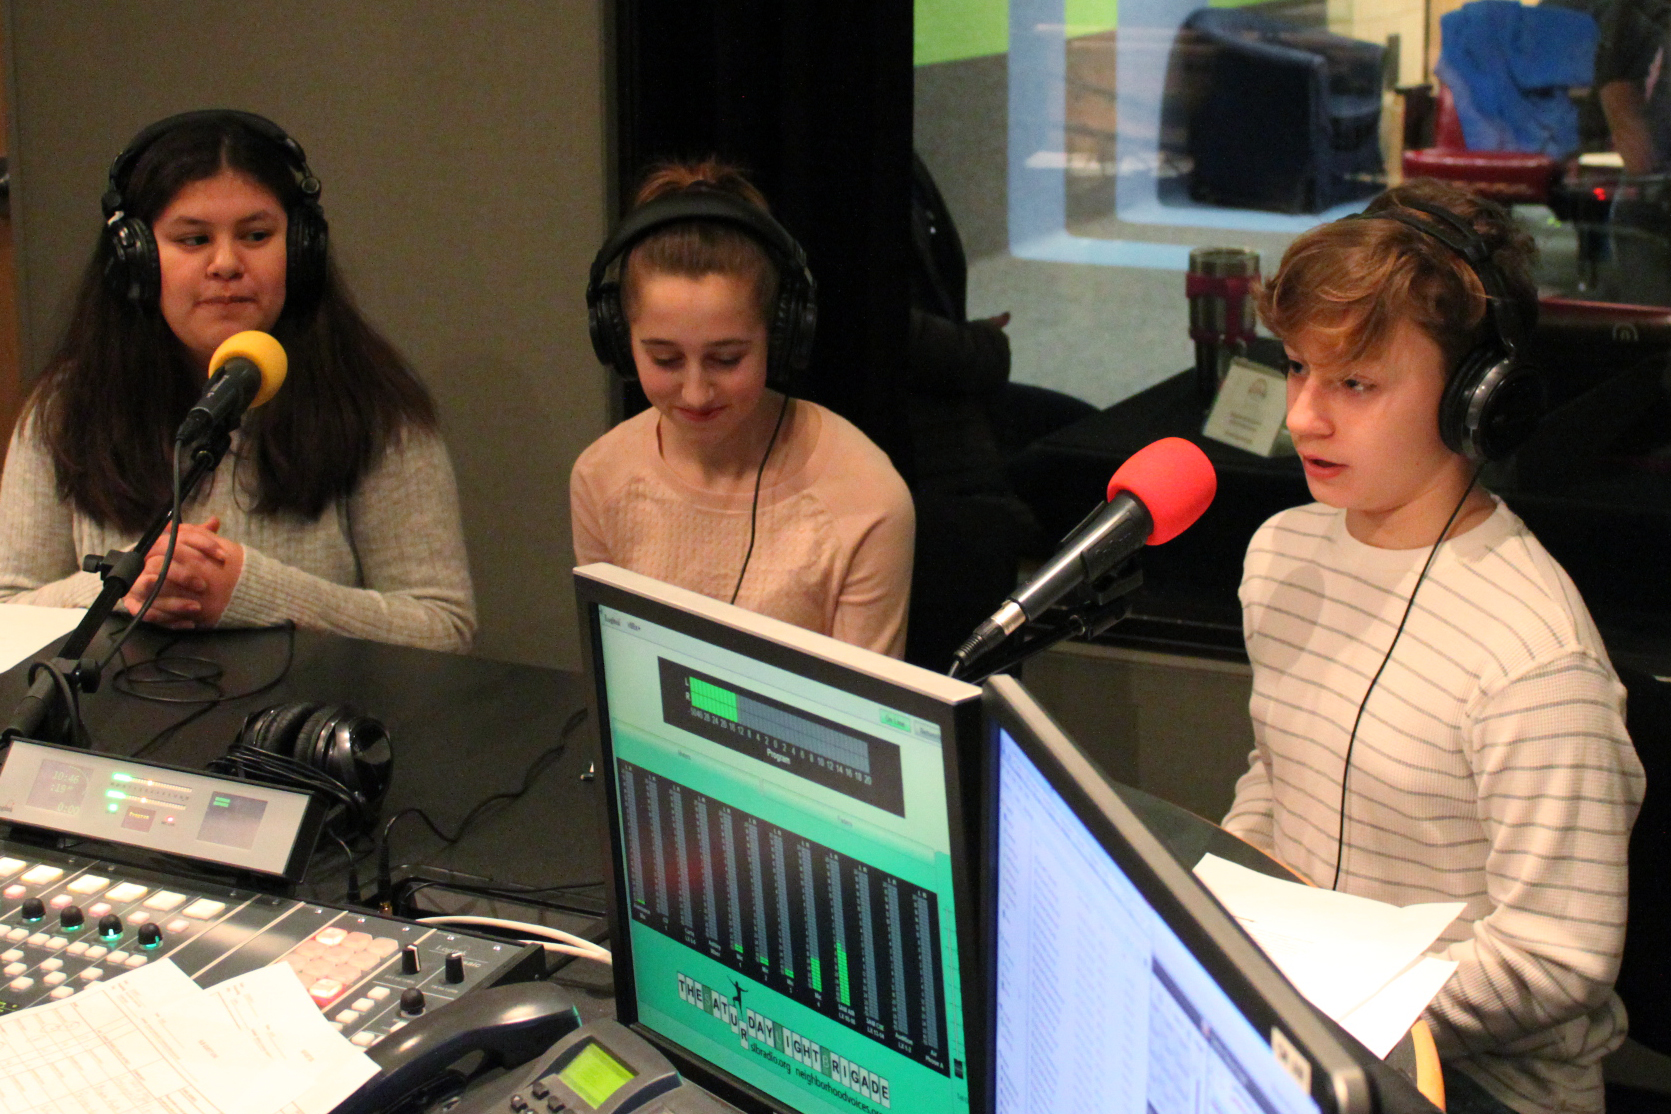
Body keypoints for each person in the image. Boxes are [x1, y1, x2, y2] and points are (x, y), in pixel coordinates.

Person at [1221, 179, 1644, 1114]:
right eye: (1296, 368)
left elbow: (1555, 959)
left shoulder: (1534, 659)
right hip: (1313, 1036)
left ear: (1474, 401)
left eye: (1354, 384)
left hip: (1473, 1084)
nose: (1301, 416)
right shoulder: (1281, 553)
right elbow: (1278, 773)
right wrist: (1221, 914)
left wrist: (1333, 1011)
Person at [0, 111, 475, 653]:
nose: (226, 263)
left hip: (303, 727)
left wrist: (253, 591)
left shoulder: (371, 405)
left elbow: (444, 628)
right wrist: (126, 583)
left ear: (300, 249)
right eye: (194, 239)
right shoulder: (66, 409)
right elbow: (8, 613)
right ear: (136, 258)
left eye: (255, 235)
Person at [570, 161, 914, 657]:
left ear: (779, 336)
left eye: (726, 358)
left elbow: (863, 725)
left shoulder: (867, 500)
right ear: (620, 341)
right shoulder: (599, 478)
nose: (694, 393)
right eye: (664, 359)